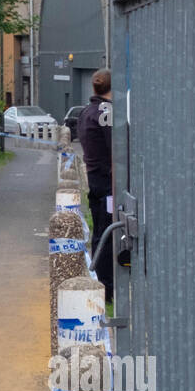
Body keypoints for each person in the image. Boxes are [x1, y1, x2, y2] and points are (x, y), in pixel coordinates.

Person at [77, 68, 114, 303]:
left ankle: (102, 280)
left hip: (94, 178)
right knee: (109, 232)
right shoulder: (107, 112)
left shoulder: (85, 112)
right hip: (109, 181)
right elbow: (115, 148)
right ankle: (107, 287)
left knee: (101, 231)